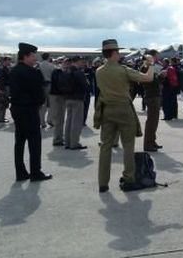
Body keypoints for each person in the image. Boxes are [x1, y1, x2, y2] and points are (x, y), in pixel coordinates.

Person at [94, 39, 154, 193]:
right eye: (118, 52)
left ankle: (103, 183)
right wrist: (151, 64)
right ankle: (129, 178)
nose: (120, 54)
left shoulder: (99, 70)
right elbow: (148, 78)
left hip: (107, 110)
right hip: (123, 110)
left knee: (106, 147)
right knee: (128, 146)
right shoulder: (123, 70)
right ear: (114, 53)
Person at [9, 43, 52, 182]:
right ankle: (35, 172)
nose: (35, 58)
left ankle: (20, 172)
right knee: (34, 143)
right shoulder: (31, 72)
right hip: (29, 110)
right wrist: (39, 103)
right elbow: (38, 94)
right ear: (26, 56)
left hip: (17, 109)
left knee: (19, 142)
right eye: (33, 55)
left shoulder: (14, 70)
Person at [142, 50, 166, 152]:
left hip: (154, 95)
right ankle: (148, 144)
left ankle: (152, 141)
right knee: (151, 121)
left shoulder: (150, 67)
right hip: (151, 97)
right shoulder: (145, 68)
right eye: (155, 57)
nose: (157, 59)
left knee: (154, 121)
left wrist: (161, 77)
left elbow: (155, 81)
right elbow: (150, 81)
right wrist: (160, 76)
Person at [63, 56, 89, 150]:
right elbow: (86, 86)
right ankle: (74, 143)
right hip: (77, 99)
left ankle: (67, 142)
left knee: (69, 122)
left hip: (67, 98)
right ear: (76, 62)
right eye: (81, 62)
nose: (83, 64)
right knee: (76, 122)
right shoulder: (79, 73)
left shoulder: (66, 72)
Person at [50, 58, 69, 146]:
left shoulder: (64, 72)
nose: (67, 64)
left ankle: (59, 137)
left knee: (60, 118)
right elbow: (58, 84)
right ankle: (57, 139)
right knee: (59, 119)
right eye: (65, 62)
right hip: (58, 96)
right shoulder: (57, 72)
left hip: (61, 96)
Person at [38, 53, 55, 128]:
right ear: (48, 57)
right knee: (51, 104)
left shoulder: (39, 65)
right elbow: (54, 76)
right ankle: (50, 120)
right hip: (50, 85)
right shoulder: (51, 65)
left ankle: (42, 122)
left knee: (43, 104)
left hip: (41, 86)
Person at [0, 57, 12, 123]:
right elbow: (0, 80)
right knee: (3, 103)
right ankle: (1, 118)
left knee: (4, 103)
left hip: (5, 87)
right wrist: (2, 89)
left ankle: (2, 118)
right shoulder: (2, 69)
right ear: (5, 61)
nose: (9, 62)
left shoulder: (5, 68)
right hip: (4, 88)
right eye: (9, 61)